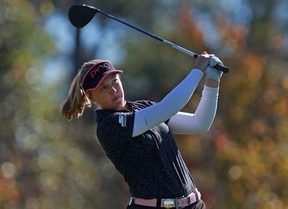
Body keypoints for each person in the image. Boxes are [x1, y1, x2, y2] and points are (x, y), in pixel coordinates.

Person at [61, 51, 223, 209]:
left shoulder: (144, 107)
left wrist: (213, 80)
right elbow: (167, 107)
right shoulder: (109, 125)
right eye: (103, 88)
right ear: (90, 97)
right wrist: (197, 71)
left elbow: (199, 123)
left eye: (115, 81)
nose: (112, 89)